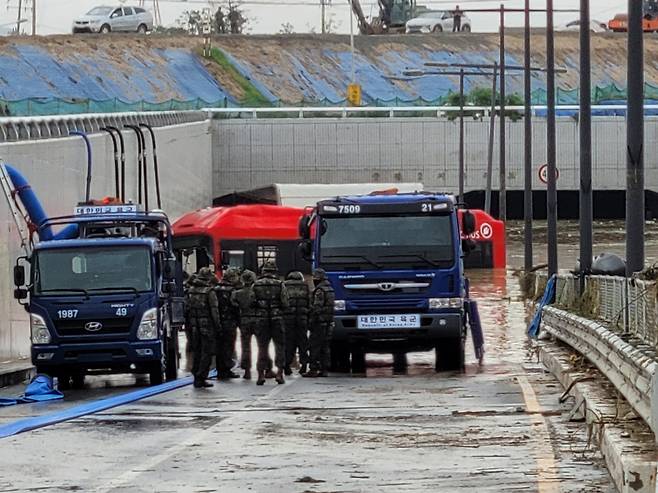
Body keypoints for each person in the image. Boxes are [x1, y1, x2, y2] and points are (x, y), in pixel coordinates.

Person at [252, 259, 289, 385]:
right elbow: (285, 303)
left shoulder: (256, 285)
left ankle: (261, 375)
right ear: (275, 271)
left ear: (263, 271)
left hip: (261, 319)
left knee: (262, 347)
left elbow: (251, 302)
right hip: (277, 318)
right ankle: (279, 373)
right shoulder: (280, 284)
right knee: (280, 346)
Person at [187, 267, 221, 388]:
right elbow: (214, 310)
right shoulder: (209, 291)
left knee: (197, 351)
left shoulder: (191, 290)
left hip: (194, 325)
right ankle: (202, 377)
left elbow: (187, 309)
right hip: (207, 325)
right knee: (207, 352)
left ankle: (196, 375)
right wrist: (218, 326)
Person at [304, 268, 335, 378]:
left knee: (314, 346)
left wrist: (311, 320)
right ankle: (325, 369)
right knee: (325, 347)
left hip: (319, 322)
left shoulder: (320, 290)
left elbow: (317, 307)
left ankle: (313, 369)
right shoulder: (330, 288)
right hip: (329, 321)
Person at [214, 267, 242, 380]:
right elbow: (236, 308)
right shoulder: (232, 291)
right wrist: (240, 323)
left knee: (219, 347)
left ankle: (220, 370)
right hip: (229, 323)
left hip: (217, 322)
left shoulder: (215, 289)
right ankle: (226, 370)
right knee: (229, 347)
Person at [232, 269, 258, 380]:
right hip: (258, 320)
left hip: (244, 321)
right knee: (262, 346)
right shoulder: (257, 292)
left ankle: (247, 371)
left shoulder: (237, 293)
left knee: (245, 346)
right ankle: (266, 368)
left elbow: (233, 304)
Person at [283, 271, 311, 376]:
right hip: (302, 318)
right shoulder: (305, 286)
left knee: (288, 342)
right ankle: (304, 365)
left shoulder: (284, 286)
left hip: (288, 319)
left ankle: (286, 365)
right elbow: (309, 302)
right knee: (303, 342)